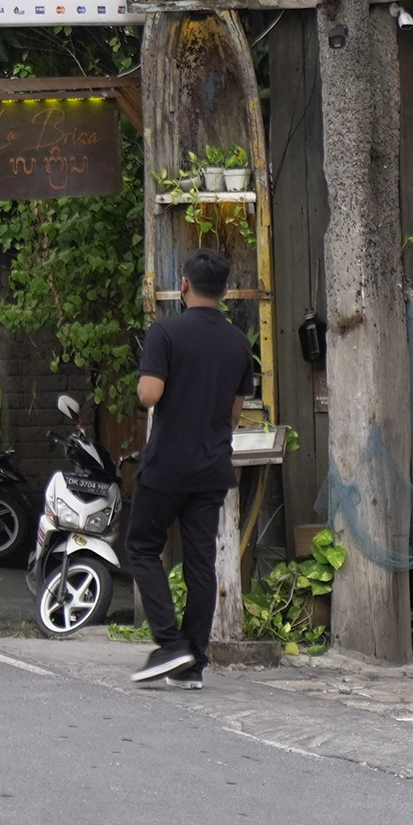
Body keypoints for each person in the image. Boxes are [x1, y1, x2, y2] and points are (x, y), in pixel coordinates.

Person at [125, 247, 250, 689]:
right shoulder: (239, 343)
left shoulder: (166, 332)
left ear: (184, 286)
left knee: (141, 545)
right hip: (212, 467)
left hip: (167, 466)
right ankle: (192, 664)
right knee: (201, 563)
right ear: (225, 291)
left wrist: (149, 375)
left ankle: (171, 644)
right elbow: (235, 415)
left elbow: (149, 395)